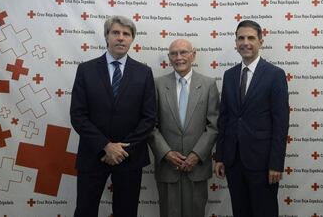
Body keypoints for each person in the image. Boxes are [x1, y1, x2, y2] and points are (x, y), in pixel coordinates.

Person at [70, 15, 156, 217]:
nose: (121, 38)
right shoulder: (86, 70)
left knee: (126, 212)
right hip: (93, 155)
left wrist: (121, 150)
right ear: (106, 36)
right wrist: (105, 146)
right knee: (84, 211)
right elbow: (78, 115)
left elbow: (149, 117)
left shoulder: (144, 72)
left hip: (129, 157)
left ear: (132, 39)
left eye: (126, 34)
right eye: (116, 32)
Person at [214, 20, 289, 217]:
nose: (245, 42)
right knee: (240, 211)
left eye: (250, 38)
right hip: (233, 161)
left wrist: (276, 164)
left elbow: (281, 124)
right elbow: (224, 118)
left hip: (263, 163)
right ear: (235, 43)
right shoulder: (229, 75)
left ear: (260, 42)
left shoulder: (275, 75)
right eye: (241, 38)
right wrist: (220, 156)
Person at [148, 39, 219, 217]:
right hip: (167, 167)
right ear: (169, 58)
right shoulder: (156, 84)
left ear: (193, 55)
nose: (179, 57)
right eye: (173, 53)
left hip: (197, 167)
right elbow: (150, 125)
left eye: (183, 52)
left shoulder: (209, 84)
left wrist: (197, 154)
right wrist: (166, 153)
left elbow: (214, 125)